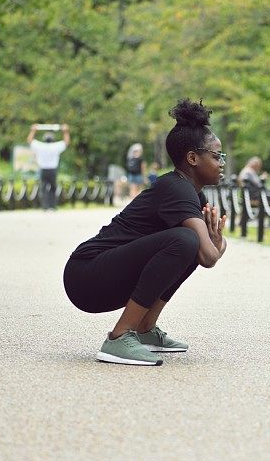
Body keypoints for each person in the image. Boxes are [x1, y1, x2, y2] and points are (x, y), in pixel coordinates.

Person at [63, 99, 227, 366]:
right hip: (85, 275)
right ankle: (118, 338)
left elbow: (207, 253)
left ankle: (145, 329)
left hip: (101, 277)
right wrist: (215, 245)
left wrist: (213, 245)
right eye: (216, 156)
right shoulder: (176, 189)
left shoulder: (193, 194)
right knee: (186, 240)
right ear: (193, 158)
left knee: (189, 244)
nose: (221, 163)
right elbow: (209, 257)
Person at [27, 123, 70, 210]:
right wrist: (66, 132)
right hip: (52, 170)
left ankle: (45, 206)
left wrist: (33, 131)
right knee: (53, 188)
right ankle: (53, 206)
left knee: (43, 188)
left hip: (43, 169)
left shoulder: (40, 146)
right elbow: (66, 142)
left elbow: (30, 140)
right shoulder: (55, 146)